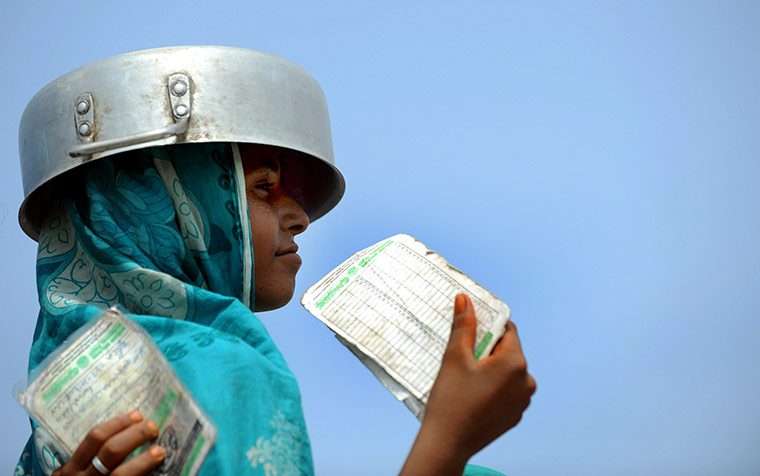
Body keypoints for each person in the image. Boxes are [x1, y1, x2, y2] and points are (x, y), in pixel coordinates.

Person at [15, 47, 535, 476]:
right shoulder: (222, 370)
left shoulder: (49, 440)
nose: (300, 217)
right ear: (174, 208)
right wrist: (448, 438)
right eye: (262, 187)